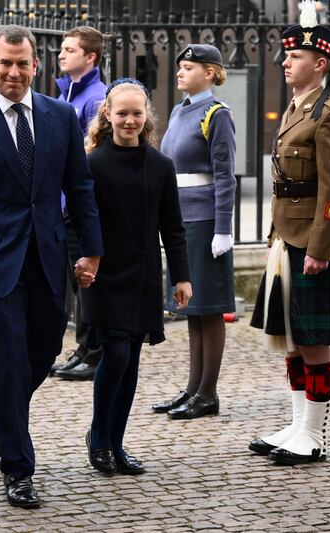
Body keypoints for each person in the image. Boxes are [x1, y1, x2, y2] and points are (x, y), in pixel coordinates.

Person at [0, 25, 103, 508]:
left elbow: (82, 188)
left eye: (22, 63)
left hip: (49, 258)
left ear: (36, 66)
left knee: (46, 347)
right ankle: (18, 467)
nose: (13, 72)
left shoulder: (60, 116)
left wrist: (90, 249)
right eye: (5, 63)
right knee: (7, 357)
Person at [248, 0, 330, 465]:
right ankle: (297, 426)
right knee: (293, 339)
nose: (285, 62)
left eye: (293, 56)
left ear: (320, 63)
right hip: (288, 240)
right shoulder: (298, 109)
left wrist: (320, 248)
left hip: (313, 245)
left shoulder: (328, 114)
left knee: (313, 342)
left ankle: (313, 436)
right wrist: (276, 236)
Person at [81, 78, 192, 475]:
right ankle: (98, 436)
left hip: (143, 275)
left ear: (147, 117)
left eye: (136, 113)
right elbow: (76, 217)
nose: (129, 120)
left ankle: (116, 442)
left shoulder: (160, 165)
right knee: (117, 353)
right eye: (122, 113)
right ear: (107, 115)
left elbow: (173, 226)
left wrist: (182, 276)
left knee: (131, 362)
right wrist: (82, 259)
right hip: (103, 273)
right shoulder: (92, 164)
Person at [153, 43, 237, 420]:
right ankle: (192, 388)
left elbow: (225, 177)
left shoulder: (217, 114)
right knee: (193, 309)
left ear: (210, 72)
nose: (181, 72)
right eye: (180, 66)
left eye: (189, 67)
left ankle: (208, 393)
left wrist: (223, 228)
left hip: (205, 221)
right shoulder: (178, 111)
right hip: (183, 218)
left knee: (210, 309)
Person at [52, 25, 108, 381]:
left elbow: (91, 155)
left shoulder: (95, 98)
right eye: (61, 48)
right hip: (61, 203)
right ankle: (83, 347)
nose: (61, 54)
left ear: (91, 57)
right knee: (74, 283)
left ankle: (95, 350)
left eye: (70, 49)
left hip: (80, 203)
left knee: (87, 281)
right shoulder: (64, 96)